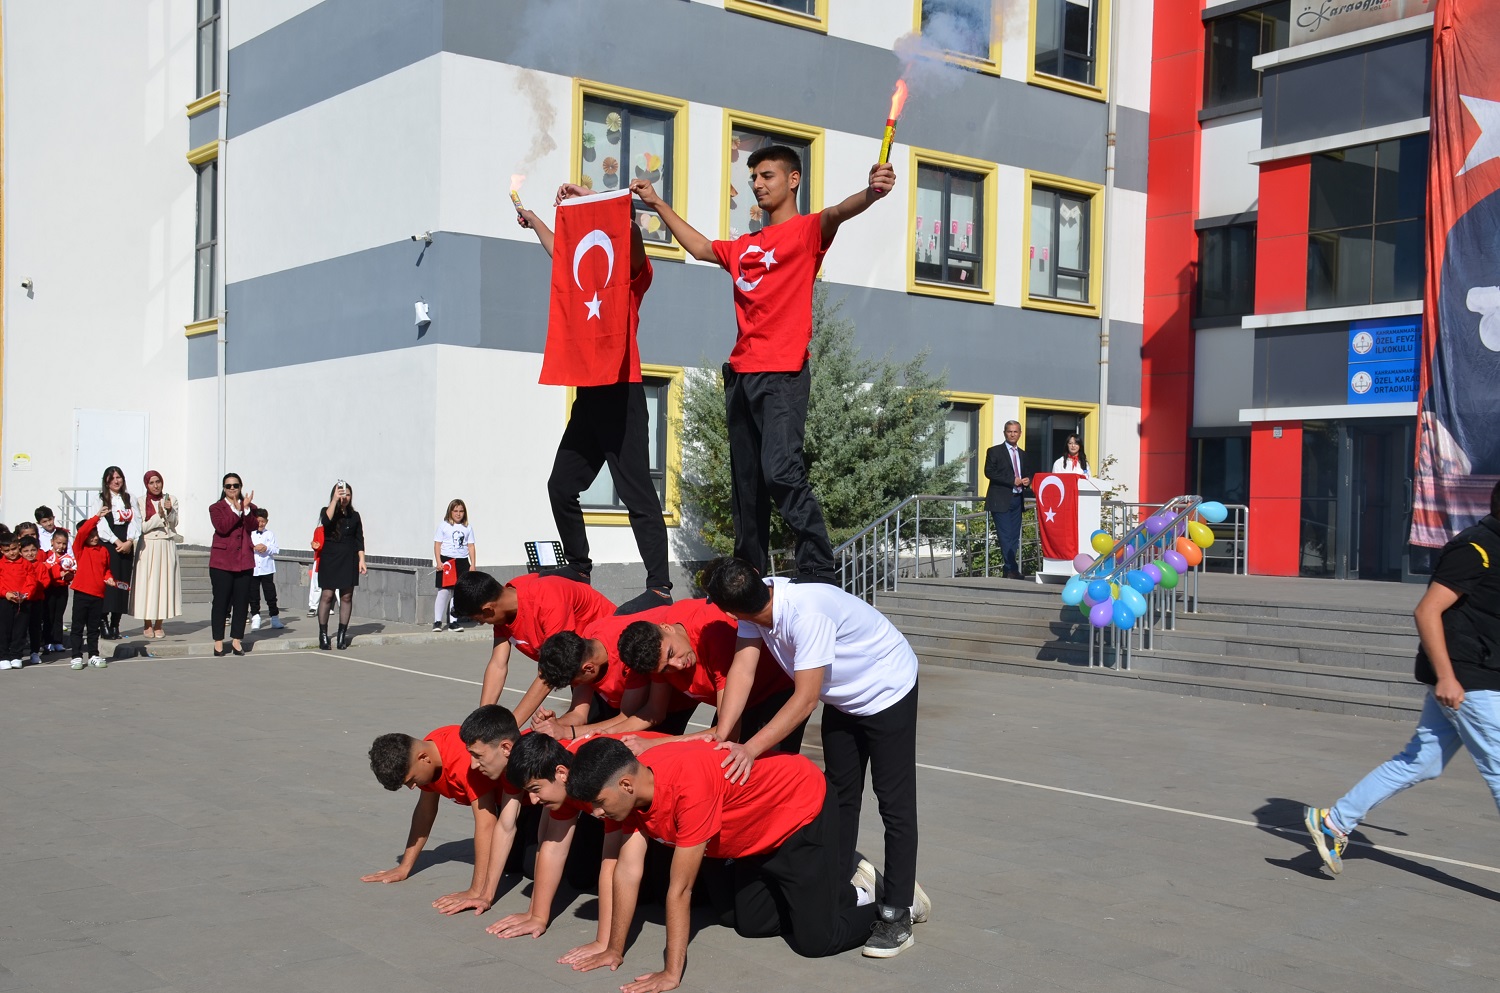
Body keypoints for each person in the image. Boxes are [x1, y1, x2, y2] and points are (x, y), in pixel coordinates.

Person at [630, 148, 895, 584]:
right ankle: (749, 572)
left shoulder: (808, 232)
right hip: (740, 376)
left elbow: (838, 212)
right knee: (746, 483)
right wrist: (658, 204)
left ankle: (818, 568)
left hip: (783, 373)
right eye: (753, 176)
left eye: (767, 175)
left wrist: (871, 191)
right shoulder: (744, 247)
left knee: (781, 470)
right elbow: (698, 247)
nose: (757, 183)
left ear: (793, 179)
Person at [706, 557, 925, 957]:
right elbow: (743, 670)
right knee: (838, 796)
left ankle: (899, 912)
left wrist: (750, 748)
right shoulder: (753, 601)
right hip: (844, 701)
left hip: (887, 689)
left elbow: (805, 699)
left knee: (893, 803)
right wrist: (723, 734)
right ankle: (839, 888)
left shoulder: (807, 613)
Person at [566, 738, 909, 987]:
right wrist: (613, 949)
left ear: (625, 784)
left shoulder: (687, 788)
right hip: (753, 838)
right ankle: (826, 896)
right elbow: (627, 871)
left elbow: (680, 890)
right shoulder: (635, 790)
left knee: (816, 941)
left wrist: (671, 973)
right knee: (747, 922)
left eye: (598, 803)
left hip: (799, 815)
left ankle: (885, 903)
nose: (596, 814)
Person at [1304, 480, 1500, 875]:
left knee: (1421, 761)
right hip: (1466, 680)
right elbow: (1427, 611)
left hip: (1479, 674)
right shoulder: (1475, 549)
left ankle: (1336, 820)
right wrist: (1446, 677)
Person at [517, 184, 672, 615]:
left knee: (636, 493)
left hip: (623, 391)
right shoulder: (585, 279)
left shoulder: (633, 278)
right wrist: (536, 222)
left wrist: (605, 208)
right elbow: (562, 253)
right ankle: (579, 567)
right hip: (590, 395)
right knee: (561, 485)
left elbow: (634, 245)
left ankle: (659, 586)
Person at [489, 728, 675, 950]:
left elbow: (612, 861)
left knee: (674, 895)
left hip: (674, 795)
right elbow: (553, 845)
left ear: (561, 774)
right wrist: (537, 915)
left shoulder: (602, 787)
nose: (533, 799)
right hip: (644, 813)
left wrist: (604, 943)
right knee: (583, 874)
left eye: (536, 789)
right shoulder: (564, 780)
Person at [362, 705, 524, 916]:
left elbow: (486, 823)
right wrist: (404, 867)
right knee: (512, 864)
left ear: (423, 758)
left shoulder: (465, 762)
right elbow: (425, 811)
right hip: (508, 807)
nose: (412, 787)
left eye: (410, 781)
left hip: (528, 803)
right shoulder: (429, 751)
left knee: (526, 864)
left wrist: (477, 890)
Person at [617, 597, 802, 753]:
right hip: (741, 699)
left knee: (764, 766)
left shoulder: (713, 635)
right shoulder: (657, 654)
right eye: (666, 669)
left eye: (672, 654)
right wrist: (601, 732)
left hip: (777, 690)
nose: (679, 665)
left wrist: (653, 744)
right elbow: (653, 711)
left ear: (666, 628)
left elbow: (727, 733)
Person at [452, 569, 616, 715]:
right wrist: (483, 718)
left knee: (613, 731)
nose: (481, 624)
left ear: (488, 609)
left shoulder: (547, 598)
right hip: (581, 675)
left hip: (611, 664)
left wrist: (511, 727)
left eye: (479, 619)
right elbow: (498, 664)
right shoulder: (503, 610)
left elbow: (552, 670)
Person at [528, 617, 699, 740]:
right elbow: (579, 714)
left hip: (676, 703)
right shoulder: (586, 644)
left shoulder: (630, 658)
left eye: (576, 683)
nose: (576, 686)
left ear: (588, 668)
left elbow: (627, 718)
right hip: (653, 706)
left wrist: (568, 733)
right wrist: (555, 724)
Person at [208, 472, 258, 657]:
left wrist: (245, 510)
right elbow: (222, 527)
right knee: (221, 602)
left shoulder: (250, 507)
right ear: (223, 488)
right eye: (228, 486)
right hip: (221, 562)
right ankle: (218, 641)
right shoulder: (216, 508)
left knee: (241, 601)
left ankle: (237, 640)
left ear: (240, 487)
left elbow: (253, 526)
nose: (232, 489)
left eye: (235, 485)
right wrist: (237, 511)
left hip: (244, 561)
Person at [317, 480, 366, 651]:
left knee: (346, 596)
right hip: (330, 558)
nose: (345, 497)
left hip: (349, 558)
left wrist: (362, 559)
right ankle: (323, 635)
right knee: (327, 595)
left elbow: (359, 539)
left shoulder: (355, 515)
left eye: (347, 494)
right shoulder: (328, 511)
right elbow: (325, 522)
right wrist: (334, 501)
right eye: (341, 494)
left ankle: (341, 635)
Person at [133, 470, 182, 639]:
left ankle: (159, 623)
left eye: (158, 481)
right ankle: (147, 623)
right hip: (147, 546)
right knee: (147, 584)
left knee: (164, 583)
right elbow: (141, 527)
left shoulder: (170, 499)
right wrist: (159, 517)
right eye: (151, 482)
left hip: (165, 543)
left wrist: (169, 512)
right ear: (146, 484)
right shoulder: (139, 502)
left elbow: (174, 523)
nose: (156, 485)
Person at [95, 466, 140, 639]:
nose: (116, 481)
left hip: (126, 544)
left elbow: (136, 521)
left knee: (123, 583)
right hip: (109, 544)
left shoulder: (130, 498)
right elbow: (99, 523)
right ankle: (103, 621)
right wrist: (116, 541)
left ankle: (116, 623)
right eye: (112, 478)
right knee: (108, 583)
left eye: (118, 477)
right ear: (106, 481)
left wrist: (129, 541)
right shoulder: (100, 499)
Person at [984, 420, 1032, 580]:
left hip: (1017, 499)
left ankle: (1009, 569)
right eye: (1009, 431)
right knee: (1005, 535)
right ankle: (1012, 569)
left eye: (1015, 431)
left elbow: (1027, 473)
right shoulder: (994, 451)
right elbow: (989, 472)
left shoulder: (1023, 454)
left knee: (1013, 536)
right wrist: (1012, 480)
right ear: (1005, 433)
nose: (1012, 434)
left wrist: (1026, 481)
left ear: (1020, 433)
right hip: (1000, 500)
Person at [68, 516, 117, 669]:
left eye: (95, 535)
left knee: (93, 628)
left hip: (98, 595)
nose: (94, 538)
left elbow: (106, 570)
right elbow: (82, 532)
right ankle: (76, 656)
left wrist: (109, 578)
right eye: (90, 536)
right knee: (77, 627)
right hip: (82, 594)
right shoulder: (80, 549)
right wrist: (97, 516)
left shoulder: (104, 550)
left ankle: (93, 655)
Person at [433, 498, 477, 633]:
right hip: (447, 561)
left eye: (461, 511)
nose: (458, 514)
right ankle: (437, 622)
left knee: (457, 592)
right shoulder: (444, 526)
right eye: (456, 511)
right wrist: (439, 561)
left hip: (462, 561)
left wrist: (473, 565)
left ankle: (453, 622)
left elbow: (471, 546)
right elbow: (437, 544)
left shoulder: (467, 527)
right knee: (444, 591)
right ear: (450, 512)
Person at [0, 532, 38, 670]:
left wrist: (26, 594)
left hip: (23, 601)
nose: (11, 553)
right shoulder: (1, 564)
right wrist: (6, 593)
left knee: (20, 630)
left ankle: (16, 655)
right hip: (5, 600)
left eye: (14, 549)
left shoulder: (26, 564)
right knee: (4, 629)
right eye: (7, 550)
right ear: (1, 550)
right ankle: (3, 656)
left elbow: (32, 581)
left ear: (18, 546)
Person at [38, 528, 73, 654]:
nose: (61, 546)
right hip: (49, 589)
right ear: (52, 542)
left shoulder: (67, 558)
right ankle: (47, 641)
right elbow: (44, 570)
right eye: (58, 543)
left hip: (62, 589)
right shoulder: (47, 555)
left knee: (59, 616)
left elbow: (72, 571)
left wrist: (70, 575)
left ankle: (58, 641)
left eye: (64, 543)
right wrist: (57, 572)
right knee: (48, 616)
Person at [249, 508, 282, 631]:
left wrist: (266, 548)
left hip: (267, 569)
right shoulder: (250, 533)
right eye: (258, 521)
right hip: (253, 568)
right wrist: (254, 548)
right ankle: (256, 617)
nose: (260, 524)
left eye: (263, 521)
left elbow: (276, 549)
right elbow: (246, 547)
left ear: (266, 522)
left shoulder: (270, 534)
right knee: (253, 594)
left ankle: (274, 617)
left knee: (270, 593)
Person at [308, 522, 324, 617]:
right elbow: (316, 544)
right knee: (316, 585)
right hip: (320, 560)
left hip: (335, 561)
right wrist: (315, 546)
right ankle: (313, 607)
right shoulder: (319, 530)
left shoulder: (337, 530)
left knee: (337, 588)